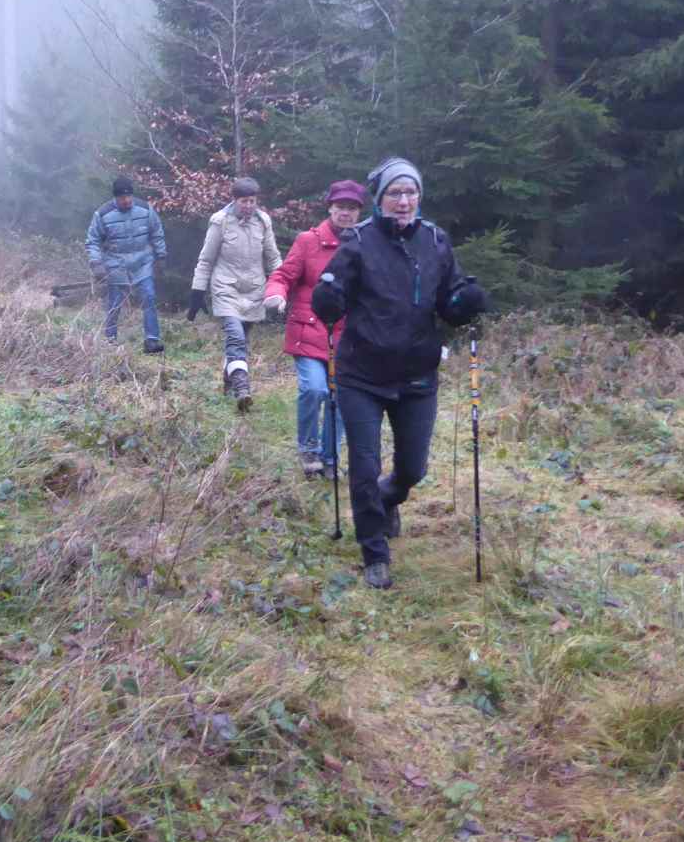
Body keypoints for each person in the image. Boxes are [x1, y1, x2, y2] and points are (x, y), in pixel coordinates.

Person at [312, 157, 489, 590]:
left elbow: (448, 303)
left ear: (419, 197)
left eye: (411, 193)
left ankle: (388, 498)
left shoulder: (435, 240)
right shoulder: (358, 242)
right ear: (380, 199)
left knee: (413, 469)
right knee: (364, 465)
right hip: (361, 375)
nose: (404, 201)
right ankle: (375, 552)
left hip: (417, 376)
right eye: (395, 193)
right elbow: (331, 298)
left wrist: (465, 301)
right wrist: (327, 297)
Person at [263, 179, 366, 478]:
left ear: (359, 212)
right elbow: (284, 275)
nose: (345, 213)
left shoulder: (365, 244)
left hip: (347, 337)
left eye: (351, 208)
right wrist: (276, 294)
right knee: (315, 389)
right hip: (308, 330)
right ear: (330, 208)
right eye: (340, 207)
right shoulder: (308, 241)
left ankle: (330, 457)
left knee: (341, 398)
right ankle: (308, 448)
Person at [187, 176, 282, 411]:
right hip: (225, 287)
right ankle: (242, 388)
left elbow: (272, 258)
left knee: (241, 341)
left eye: (252, 201)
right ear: (235, 200)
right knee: (236, 337)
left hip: (254, 290)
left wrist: (281, 287)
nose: (248, 206)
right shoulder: (220, 221)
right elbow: (206, 259)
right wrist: (197, 291)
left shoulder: (263, 221)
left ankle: (228, 385)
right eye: (244, 201)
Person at [85, 176, 168, 352]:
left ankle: (152, 340)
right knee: (114, 304)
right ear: (115, 197)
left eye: (129, 196)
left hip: (142, 262)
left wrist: (161, 256)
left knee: (149, 297)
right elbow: (93, 241)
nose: (127, 200)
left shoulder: (145, 210)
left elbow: (157, 233)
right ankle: (110, 340)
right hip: (116, 264)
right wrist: (96, 263)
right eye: (122, 197)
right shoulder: (102, 214)